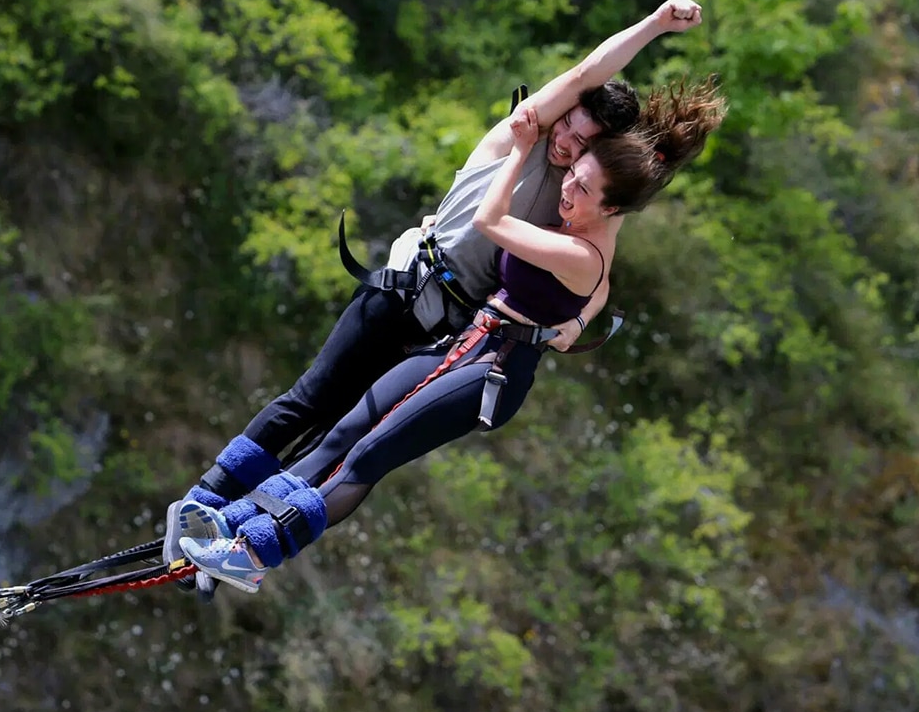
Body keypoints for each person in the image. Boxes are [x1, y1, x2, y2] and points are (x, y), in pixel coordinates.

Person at [176, 77, 729, 593]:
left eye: (583, 186)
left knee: (366, 455)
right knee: (342, 429)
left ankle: (253, 556)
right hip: (464, 341)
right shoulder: (578, 212)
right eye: (573, 171)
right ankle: (231, 522)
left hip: (494, 370)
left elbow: (512, 233)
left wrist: (520, 154)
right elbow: (587, 85)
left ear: (609, 207)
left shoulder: (582, 244)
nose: (569, 187)